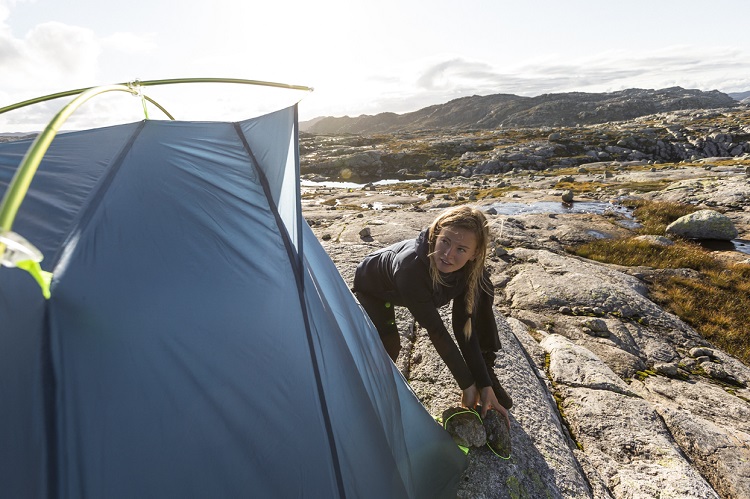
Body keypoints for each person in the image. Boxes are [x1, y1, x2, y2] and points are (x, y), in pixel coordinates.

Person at [353, 205, 512, 424]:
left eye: (461, 249)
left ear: (474, 253)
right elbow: (436, 330)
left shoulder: (471, 268)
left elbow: (464, 329)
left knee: (483, 285)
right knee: (390, 345)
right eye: (445, 241)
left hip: (418, 288)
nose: (448, 254)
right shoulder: (410, 269)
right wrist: (467, 384)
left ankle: (486, 364)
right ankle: (369, 397)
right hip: (375, 287)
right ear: (435, 235)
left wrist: (483, 382)